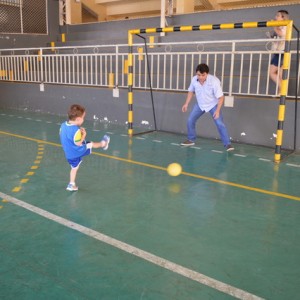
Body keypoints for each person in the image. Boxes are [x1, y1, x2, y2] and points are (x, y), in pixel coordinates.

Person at [181, 63, 234, 151]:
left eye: (203, 75)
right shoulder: (194, 80)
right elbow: (191, 91)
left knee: (219, 123)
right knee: (190, 120)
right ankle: (191, 139)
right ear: (196, 74)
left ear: (207, 73)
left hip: (213, 105)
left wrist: (217, 111)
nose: (200, 77)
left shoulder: (214, 81)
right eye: (198, 75)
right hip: (200, 104)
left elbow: (221, 97)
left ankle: (227, 144)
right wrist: (186, 103)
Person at [60, 104, 110, 191]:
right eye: (83, 117)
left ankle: (71, 184)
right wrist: (83, 135)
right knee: (90, 144)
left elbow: (63, 136)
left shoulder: (63, 125)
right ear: (78, 119)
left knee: (74, 168)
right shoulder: (75, 130)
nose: (84, 119)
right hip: (77, 151)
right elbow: (78, 143)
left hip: (68, 153)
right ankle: (104, 144)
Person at [269, 9, 289, 94]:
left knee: (272, 72)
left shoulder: (285, 25)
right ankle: (282, 90)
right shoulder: (280, 26)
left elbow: (281, 33)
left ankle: (282, 90)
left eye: (277, 15)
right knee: (280, 72)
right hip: (278, 51)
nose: (275, 17)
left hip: (281, 51)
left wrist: (274, 25)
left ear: (283, 17)